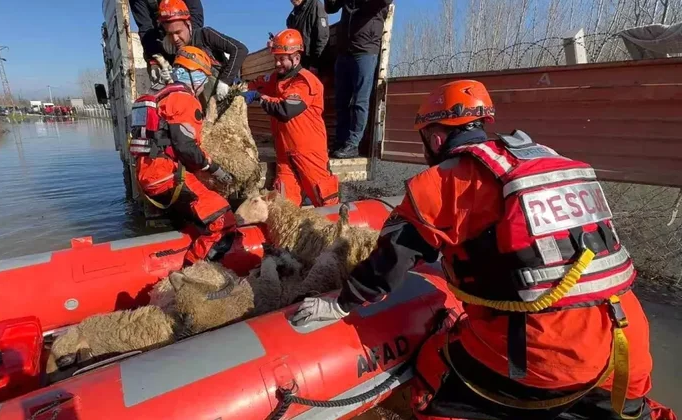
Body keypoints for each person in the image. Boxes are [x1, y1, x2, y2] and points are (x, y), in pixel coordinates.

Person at [291, 80, 677, 420]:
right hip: (628, 342)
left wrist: (340, 304)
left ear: (436, 138)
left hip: (548, 356)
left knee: (433, 377)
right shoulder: (550, 161)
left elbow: (391, 260)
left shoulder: (445, 181)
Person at [130, 46, 236, 265]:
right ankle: (193, 273)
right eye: (203, 78)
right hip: (166, 176)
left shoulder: (162, 95)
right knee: (223, 220)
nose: (203, 84)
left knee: (194, 213)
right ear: (191, 73)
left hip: (149, 174)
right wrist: (214, 168)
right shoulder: (184, 100)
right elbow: (187, 148)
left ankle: (185, 245)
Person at [242, 29, 340, 208]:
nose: (277, 63)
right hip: (285, 155)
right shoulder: (276, 78)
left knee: (327, 202)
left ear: (296, 58)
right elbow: (254, 84)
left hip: (308, 153)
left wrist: (258, 97)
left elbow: (285, 110)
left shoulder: (305, 82)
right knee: (284, 207)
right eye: (275, 58)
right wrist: (237, 88)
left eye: (282, 58)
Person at [326, 0, 392, 159]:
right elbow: (330, 7)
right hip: (344, 50)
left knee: (359, 100)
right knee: (341, 101)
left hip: (365, 49)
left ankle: (353, 143)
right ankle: (340, 141)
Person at [158, 0, 249, 102]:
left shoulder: (205, 35)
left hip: (223, 98)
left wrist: (225, 81)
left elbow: (240, 49)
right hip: (197, 105)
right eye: (170, 34)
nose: (175, 39)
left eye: (178, 32)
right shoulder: (172, 49)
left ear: (188, 24)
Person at [128, 0, 204, 86]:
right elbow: (145, 29)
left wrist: (186, 51)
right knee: (162, 86)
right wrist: (155, 60)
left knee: (198, 80)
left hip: (187, 36)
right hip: (160, 43)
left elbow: (196, 16)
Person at [285, 0, 330, 73]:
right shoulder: (291, 17)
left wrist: (315, 64)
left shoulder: (315, 5)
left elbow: (322, 36)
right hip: (301, 65)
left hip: (315, 64)